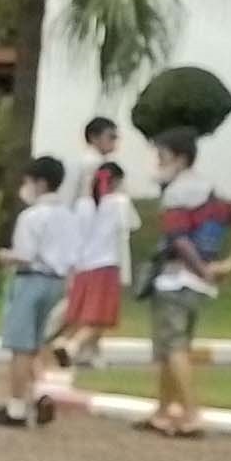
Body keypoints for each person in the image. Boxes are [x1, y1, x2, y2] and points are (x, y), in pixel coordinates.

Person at [143, 124, 231, 438]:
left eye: (163, 156)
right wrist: (229, 263)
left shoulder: (176, 194)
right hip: (200, 284)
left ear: (179, 158)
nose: (158, 163)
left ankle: (190, 413)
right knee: (174, 346)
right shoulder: (213, 192)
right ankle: (163, 411)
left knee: (173, 348)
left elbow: (178, 238)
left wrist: (200, 268)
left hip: (176, 277)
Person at [0, 155, 72, 428]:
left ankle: (16, 407)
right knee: (38, 343)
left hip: (31, 279)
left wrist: (5, 256)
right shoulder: (68, 215)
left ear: (40, 183)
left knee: (20, 346)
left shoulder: (31, 216)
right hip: (57, 282)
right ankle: (40, 393)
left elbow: (25, 255)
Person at [58, 157, 135, 375]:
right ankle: (72, 345)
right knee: (100, 317)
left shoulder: (82, 205)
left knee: (83, 313)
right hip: (106, 265)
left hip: (83, 265)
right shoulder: (119, 203)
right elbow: (132, 224)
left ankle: (86, 352)